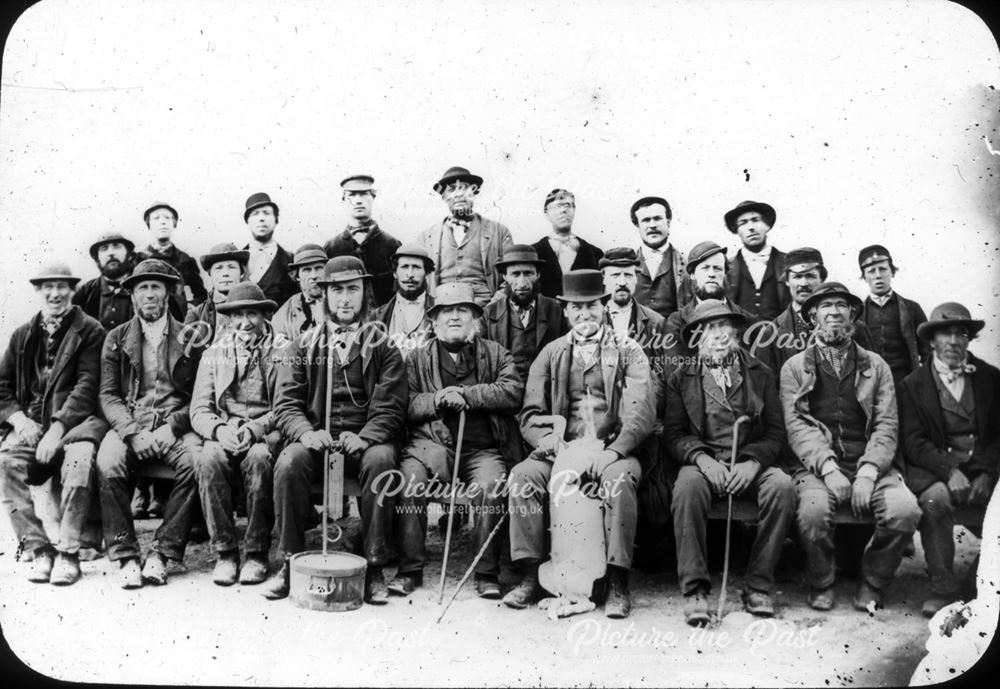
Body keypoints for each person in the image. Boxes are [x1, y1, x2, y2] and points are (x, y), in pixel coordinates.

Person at [504, 269, 654, 618]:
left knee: (619, 482)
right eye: (576, 308)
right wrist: (548, 441)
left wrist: (614, 451)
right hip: (564, 449)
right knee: (523, 476)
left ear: (603, 307)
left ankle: (617, 580)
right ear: (566, 312)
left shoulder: (628, 351)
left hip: (614, 449)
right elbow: (530, 413)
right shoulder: (552, 353)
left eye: (591, 307)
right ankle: (530, 575)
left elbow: (641, 412)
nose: (584, 315)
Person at [266, 256, 406, 604]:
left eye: (353, 289)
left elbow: (391, 406)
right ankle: (289, 562)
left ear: (364, 294)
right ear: (325, 295)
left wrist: (367, 437)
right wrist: (305, 433)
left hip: (365, 440)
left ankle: (374, 566)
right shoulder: (303, 344)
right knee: (288, 463)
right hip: (317, 438)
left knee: (381, 464)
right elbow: (285, 403)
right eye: (337, 290)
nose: (345, 299)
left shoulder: (384, 346)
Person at [782, 281, 920, 612]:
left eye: (841, 306)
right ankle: (822, 580)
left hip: (871, 464)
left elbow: (887, 424)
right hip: (819, 468)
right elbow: (797, 426)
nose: (833, 312)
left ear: (853, 315)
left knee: (905, 511)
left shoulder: (877, 366)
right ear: (812, 316)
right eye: (825, 306)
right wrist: (829, 469)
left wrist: (869, 472)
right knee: (812, 513)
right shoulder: (794, 367)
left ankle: (873, 580)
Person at [663, 300, 793, 625]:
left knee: (782, 486)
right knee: (686, 487)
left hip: (748, 464)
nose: (719, 335)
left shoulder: (760, 373)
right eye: (710, 328)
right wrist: (703, 460)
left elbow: (776, 432)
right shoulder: (682, 377)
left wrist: (752, 463)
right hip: (705, 464)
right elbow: (674, 434)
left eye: (724, 326)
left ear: (735, 331)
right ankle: (695, 589)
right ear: (697, 336)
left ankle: (758, 585)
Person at [392, 283, 523, 598]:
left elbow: (512, 391)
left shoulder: (495, 353)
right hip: (430, 448)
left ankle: (486, 572)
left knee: (494, 486)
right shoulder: (415, 359)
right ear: (434, 322)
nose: (454, 318)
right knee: (410, 481)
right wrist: (438, 398)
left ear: (476, 320)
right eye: (446, 312)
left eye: (462, 311)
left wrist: (469, 395)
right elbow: (404, 405)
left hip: (482, 450)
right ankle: (409, 569)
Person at [95, 259, 202, 589]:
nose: (150, 294)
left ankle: (162, 553)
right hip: (131, 424)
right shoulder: (116, 337)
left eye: (156, 286)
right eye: (143, 287)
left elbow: (200, 396)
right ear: (133, 295)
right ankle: (126, 554)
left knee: (196, 463)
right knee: (107, 461)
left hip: (174, 425)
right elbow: (108, 394)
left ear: (168, 292)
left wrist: (171, 427)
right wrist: (131, 432)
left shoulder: (191, 336)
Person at [0, 263, 106, 585]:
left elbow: (87, 386)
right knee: (6, 462)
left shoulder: (90, 330)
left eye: (62, 287)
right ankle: (38, 549)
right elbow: (2, 385)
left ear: (72, 291)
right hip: (31, 425)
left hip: (74, 425)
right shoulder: (24, 334)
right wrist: (19, 420)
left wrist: (57, 428)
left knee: (78, 461)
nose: (55, 293)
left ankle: (69, 552)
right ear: (39, 291)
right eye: (48, 287)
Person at [897, 302, 999, 617]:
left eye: (961, 334)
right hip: (936, 471)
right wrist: (949, 470)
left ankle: (976, 585)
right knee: (935, 500)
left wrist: (986, 474)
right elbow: (914, 442)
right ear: (931, 341)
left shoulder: (991, 378)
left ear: (969, 339)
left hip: (983, 471)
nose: (954, 341)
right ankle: (942, 587)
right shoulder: (912, 385)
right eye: (946, 334)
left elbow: (998, 436)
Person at [190, 282, 281, 587]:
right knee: (208, 458)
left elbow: (289, 406)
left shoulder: (284, 350)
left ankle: (256, 552)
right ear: (228, 319)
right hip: (226, 430)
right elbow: (198, 409)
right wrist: (218, 429)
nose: (245, 322)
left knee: (259, 459)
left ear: (264, 315)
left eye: (252, 313)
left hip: (266, 433)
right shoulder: (214, 353)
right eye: (238, 315)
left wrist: (257, 428)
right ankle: (225, 552)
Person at [416, 166, 514, 306]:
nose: (459, 194)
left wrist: (493, 308)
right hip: (441, 308)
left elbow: (512, 276)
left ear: (474, 193)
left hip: (486, 308)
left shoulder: (499, 232)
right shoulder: (426, 237)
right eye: (451, 189)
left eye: (464, 188)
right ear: (444, 197)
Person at [663, 241, 758, 380]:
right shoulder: (677, 322)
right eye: (705, 268)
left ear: (725, 274)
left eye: (717, 268)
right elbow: (676, 377)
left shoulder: (748, 322)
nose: (711, 274)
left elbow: (758, 376)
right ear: (692, 275)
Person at [482, 244, 567, 383]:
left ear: (538, 275)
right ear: (505, 277)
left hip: (547, 389)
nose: (522, 283)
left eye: (528, 273)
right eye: (515, 274)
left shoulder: (556, 310)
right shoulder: (489, 313)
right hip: (504, 390)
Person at [74, 231, 184, 331]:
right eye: (104, 248)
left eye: (116, 247)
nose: (110, 253)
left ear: (130, 255)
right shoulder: (86, 292)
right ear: (97, 258)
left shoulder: (149, 288)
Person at [323, 175, 402, 307]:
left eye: (364, 194)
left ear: (373, 197)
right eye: (352, 195)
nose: (358, 201)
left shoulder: (392, 245)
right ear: (343, 199)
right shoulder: (331, 247)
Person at [857, 245, 928, 385]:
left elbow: (927, 350)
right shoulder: (857, 313)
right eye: (871, 271)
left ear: (892, 272)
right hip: (871, 384)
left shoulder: (912, 308)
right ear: (864, 277)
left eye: (883, 269)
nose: (878, 275)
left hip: (906, 382)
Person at [530, 189, 604, 298]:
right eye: (558, 206)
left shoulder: (595, 253)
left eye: (568, 205)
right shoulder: (533, 253)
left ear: (574, 211)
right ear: (546, 213)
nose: (564, 210)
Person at [723, 200, 789, 321]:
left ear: (767, 225)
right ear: (736, 230)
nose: (751, 227)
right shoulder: (725, 267)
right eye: (743, 223)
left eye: (755, 220)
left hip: (782, 336)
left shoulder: (787, 263)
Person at [136, 201, 207, 309]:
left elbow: (201, 295)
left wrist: (192, 305)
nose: (162, 222)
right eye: (156, 218)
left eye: (167, 218)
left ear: (174, 224)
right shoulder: (139, 259)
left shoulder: (186, 260)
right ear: (148, 224)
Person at [370, 244, 436, 360]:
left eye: (416, 267)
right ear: (395, 273)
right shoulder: (376, 316)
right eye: (405, 267)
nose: (410, 274)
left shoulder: (439, 310)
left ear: (426, 273)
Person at [629, 196, 691, 318]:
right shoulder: (628, 265)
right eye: (646, 220)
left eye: (657, 219)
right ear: (637, 226)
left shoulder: (687, 265)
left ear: (668, 222)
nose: (652, 225)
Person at [182, 242, 250, 352]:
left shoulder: (257, 309)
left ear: (241, 273)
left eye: (231, 267)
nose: (225, 273)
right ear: (210, 274)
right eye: (218, 268)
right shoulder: (196, 315)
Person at [242, 192, 298, 306]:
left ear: (276, 220)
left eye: (267, 213)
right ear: (248, 221)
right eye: (255, 214)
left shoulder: (290, 259)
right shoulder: (236, 261)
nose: (261, 218)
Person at [271, 244, 329, 345]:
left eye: (319, 268)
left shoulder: (339, 301)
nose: (314, 276)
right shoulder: (287, 311)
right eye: (307, 270)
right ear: (297, 276)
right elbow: (277, 343)